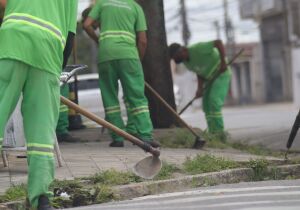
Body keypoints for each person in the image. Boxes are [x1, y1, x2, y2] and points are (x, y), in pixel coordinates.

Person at [0, 0, 78, 209]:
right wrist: (55, 71)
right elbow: (70, 36)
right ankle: (41, 198)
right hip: (49, 50)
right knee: (42, 131)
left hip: (13, 41)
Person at [83, 0, 160, 148]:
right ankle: (145, 135)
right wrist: (137, 60)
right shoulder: (136, 7)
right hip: (129, 55)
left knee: (110, 98)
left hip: (106, 54)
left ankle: (117, 138)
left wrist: (99, 40)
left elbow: (86, 25)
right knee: (136, 98)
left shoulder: (102, 3)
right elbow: (142, 41)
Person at [169, 40, 232, 141]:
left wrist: (223, 62)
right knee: (206, 105)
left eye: (176, 57)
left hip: (220, 74)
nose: (176, 60)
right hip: (209, 79)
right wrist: (199, 88)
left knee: (214, 101)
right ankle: (213, 132)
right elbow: (199, 72)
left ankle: (219, 134)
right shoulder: (186, 63)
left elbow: (218, 43)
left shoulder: (198, 48)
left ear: (183, 50)